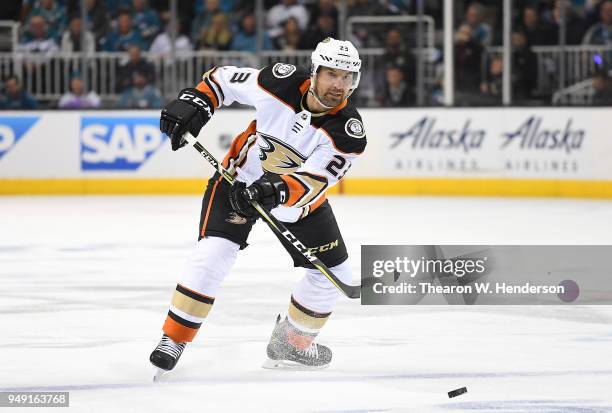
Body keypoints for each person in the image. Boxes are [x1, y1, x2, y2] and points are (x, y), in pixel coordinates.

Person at [149, 37, 366, 372]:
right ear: (315, 72)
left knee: (333, 275)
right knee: (213, 254)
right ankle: (174, 338)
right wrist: (198, 101)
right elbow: (221, 79)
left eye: (346, 77)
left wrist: (276, 190)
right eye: (332, 75)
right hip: (238, 181)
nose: (339, 85)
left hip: (295, 203)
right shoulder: (279, 82)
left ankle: (291, 345)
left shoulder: (348, 134)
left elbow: (314, 182)